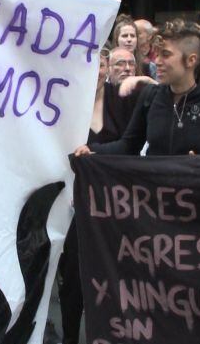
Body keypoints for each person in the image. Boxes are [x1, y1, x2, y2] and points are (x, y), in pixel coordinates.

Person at [59, 49, 142, 344]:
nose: (95, 71)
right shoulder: (65, 102)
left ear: (107, 68)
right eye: (88, 64)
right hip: (74, 204)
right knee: (73, 277)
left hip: (115, 205)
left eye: (101, 64)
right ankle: (70, 337)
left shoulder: (123, 98)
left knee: (117, 274)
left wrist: (142, 78)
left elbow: (133, 142)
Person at [74, 18, 200, 157]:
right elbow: (129, 145)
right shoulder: (151, 96)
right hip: (155, 196)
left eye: (166, 55)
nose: (157, 61)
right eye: (157, 55)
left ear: (191, 60)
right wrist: (92, 149)